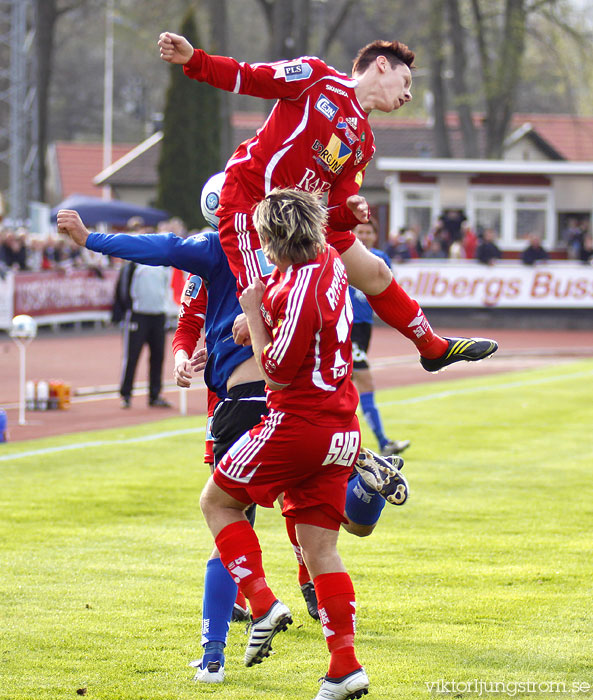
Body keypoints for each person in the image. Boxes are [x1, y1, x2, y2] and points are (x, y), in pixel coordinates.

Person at [56, 184, 407, 688]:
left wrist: (90, 239)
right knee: (319, 538)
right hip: (334, 415)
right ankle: (342, 657)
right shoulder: (325, 258)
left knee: (222, 509)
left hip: (262, 406)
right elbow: (192, 320)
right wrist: (188, 351)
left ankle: (227, 641)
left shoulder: (222, 247)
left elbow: (161, 250)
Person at [158, 32, 498, 373]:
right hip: (249, 206)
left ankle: (433, 348)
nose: (409, 94)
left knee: (376, 272)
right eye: (406, 81)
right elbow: (249, 76)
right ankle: (241, 400)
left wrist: (350, 213)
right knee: (261, 309)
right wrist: (194, 60)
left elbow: (335, 218)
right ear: (381, 65)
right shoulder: (315, 77)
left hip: (299, 223)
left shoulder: (364, 143)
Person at [199, 188, 369, 700]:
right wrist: (259, 309)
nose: (263, 250)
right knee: (321, 549)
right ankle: (345, 667)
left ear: (277, 238)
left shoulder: (296, 293)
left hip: (299, 422)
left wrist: (253, 315)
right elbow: (285, 282)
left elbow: (275, 371)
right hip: (341, 425)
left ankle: (263, 602)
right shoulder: (329, 263)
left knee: (217, 501)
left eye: (265, 239)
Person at [349, 220, 410, 456]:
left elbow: (386, 288)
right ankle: (383, 442)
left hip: (365, 325)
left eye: (368, 232)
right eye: (359, 231)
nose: (364, 235)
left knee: (347, 382)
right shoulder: (342, 254)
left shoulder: (380, 257)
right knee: (364, 381)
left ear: (375, 236)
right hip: (348, 325)